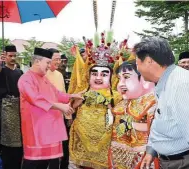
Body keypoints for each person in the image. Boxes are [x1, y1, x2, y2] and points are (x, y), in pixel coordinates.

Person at [18, 47, 82, 169]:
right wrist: (60, 107)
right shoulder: (25, 79)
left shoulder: (44, 78)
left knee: (47, 162)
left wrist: (73, 96)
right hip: (35, 130)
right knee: (33, 162)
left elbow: (57, 94)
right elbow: (35, 99)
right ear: (37, 61)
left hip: (50, 129)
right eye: (47, 62)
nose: (49, 66)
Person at [132, 37, 189, 169]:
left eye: (137, 63)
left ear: (149, 61)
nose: (137, 69)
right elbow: (162, 120)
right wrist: (151, 150)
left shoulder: (181, 85)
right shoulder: (165, 81)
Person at [68, 39, 122, 169]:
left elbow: (121, 118)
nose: (98, 78)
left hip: (105, 141)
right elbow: (71, 109)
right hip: (81, 138)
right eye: (94, 74)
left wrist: (108, 104)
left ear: (111, 77)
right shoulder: (81, 92)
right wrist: (79, 100)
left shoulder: (117, 95)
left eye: (104, 74)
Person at [110, 60, 159, 169]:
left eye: (126, 77)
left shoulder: (153, 101)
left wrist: (130, 125)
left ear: (145, 80)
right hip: (121, 150)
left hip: (144, 151)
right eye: (119, 78)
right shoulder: (124, 101)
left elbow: (155, 128)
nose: (121, 83)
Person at [45, 48, 70, 169]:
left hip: (59, 117)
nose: (59, 62)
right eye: (57, 59)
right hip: (44, 118)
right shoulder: (42, 75)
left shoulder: (59, 75)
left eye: (60, 59)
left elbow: (63, 94)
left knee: (57, 151)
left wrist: (68, 115)